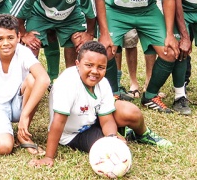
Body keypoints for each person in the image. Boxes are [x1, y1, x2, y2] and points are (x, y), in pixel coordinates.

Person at [29, 41, 171, 167]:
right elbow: (58, 122)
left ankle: (142, 134)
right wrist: (48, 157)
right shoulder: (67, 83)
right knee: (111, 153)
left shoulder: (103, 83)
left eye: (101, 67)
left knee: (129, 111)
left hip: (93, 119)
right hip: (74, 134)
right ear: (77, 64)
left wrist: (112, 137)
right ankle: (125, 133)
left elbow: (107, 118)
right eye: (89, 65)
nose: (94, 71)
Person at [95, 0, 180, 113]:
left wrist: (169, 34)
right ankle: (114, 94)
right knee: (107, 50)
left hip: (147, 11)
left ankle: (150, 95)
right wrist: (103, 33)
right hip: (116, 10)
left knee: (170, 52)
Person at [0, 14, 50, 156]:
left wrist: (24, 116)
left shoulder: (24, 52)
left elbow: (44, 79)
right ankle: (6, 132)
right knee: (4, 147)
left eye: (10, 37)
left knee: (33, 80)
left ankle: (23, 134)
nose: (6, 43)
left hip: (18, 103)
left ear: (19, 37)